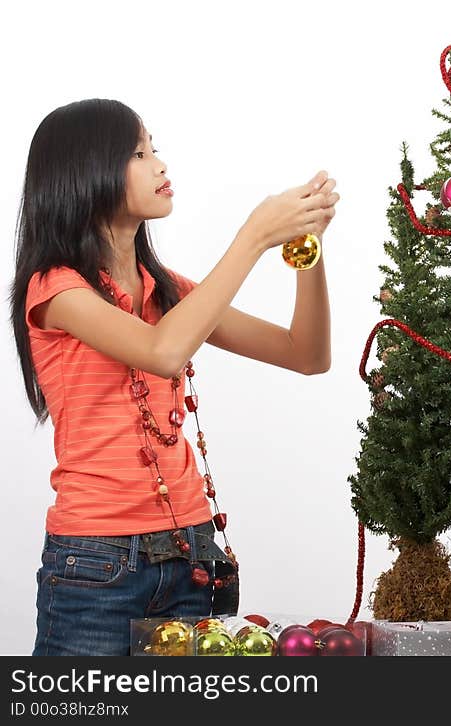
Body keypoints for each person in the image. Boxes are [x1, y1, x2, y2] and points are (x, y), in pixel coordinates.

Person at [9, 99, 339, 655]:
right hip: (96, 564)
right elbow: (161, 351)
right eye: (138, 153)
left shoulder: (167, 290)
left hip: (193, 554)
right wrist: (254, 235)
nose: (160, 164)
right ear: (85, 172)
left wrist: (307, 247)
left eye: (155, 149)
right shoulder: (55, 288)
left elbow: (304, 353)